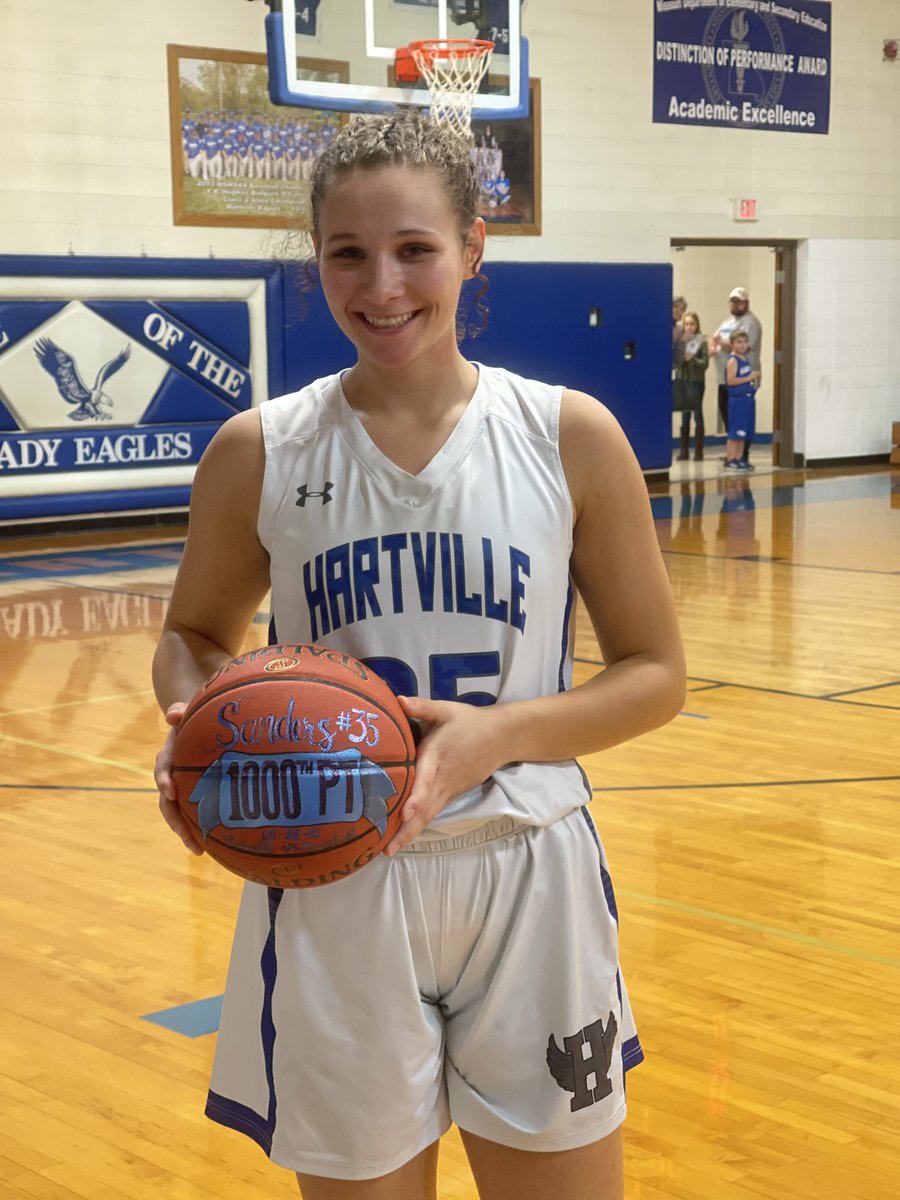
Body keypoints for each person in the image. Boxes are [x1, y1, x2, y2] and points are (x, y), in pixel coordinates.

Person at [152, 108, 686, 1200]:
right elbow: (192, 638)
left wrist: (499, 735)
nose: (381, 286)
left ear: (474, 247)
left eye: (414, 250)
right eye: (348, 253)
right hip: (336, 876)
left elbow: (655, 673)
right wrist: (191, 730)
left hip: (527, 865)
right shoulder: (261, 450)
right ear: (317, 260)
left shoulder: (567, 436)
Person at [709, 286, 762, 464]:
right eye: (734, 301)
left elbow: (744, 345)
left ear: (746, 303)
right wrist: (713, 346)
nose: (737, 305)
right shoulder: (727, 322)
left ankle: (742, 455)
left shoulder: (750, 322)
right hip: (725, 380)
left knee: (742, 420)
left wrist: (723, 343)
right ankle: (732, 455)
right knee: (730, 420)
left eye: (740, 301)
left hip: (742, 382)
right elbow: (714, 339)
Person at [674, 310, 709, 461]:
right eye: (686, 324)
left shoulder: (701, 341)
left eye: (692, 324)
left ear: (697, 325)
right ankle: (684, 451)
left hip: (696, 382)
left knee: (698, 414)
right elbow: (676, 362)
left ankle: (699, 451)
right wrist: (682, 356)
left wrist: (692, 358)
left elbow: (705, 363)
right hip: (682, 381)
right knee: (684, 415)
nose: (689, 327)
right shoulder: (679, 341)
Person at [724, 329, 760, 470]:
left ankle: (739, 458)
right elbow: (731, 380)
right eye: (739, 342)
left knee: (744, 432)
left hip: (748, 399)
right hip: (737, 399)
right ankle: (730, 458)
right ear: (732, 344)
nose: (742, 345)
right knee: (735, 432)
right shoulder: (733, 360)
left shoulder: (745, 359)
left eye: (745, 342)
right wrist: (750, 377)